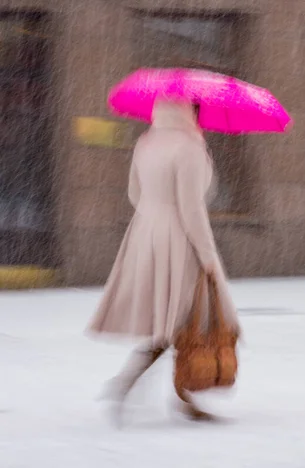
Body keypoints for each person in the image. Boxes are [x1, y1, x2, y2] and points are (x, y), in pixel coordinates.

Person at [87, 99, 240, 422]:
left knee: (172, 320)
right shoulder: (189, 148)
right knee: (186, 321)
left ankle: (172, 395)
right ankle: (154, 389)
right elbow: (191, 208)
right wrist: (208, 255)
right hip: (179, 239)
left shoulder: (146, 142)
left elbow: (134, 193)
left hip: (146, 233)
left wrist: (156, 210)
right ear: (191, 112)